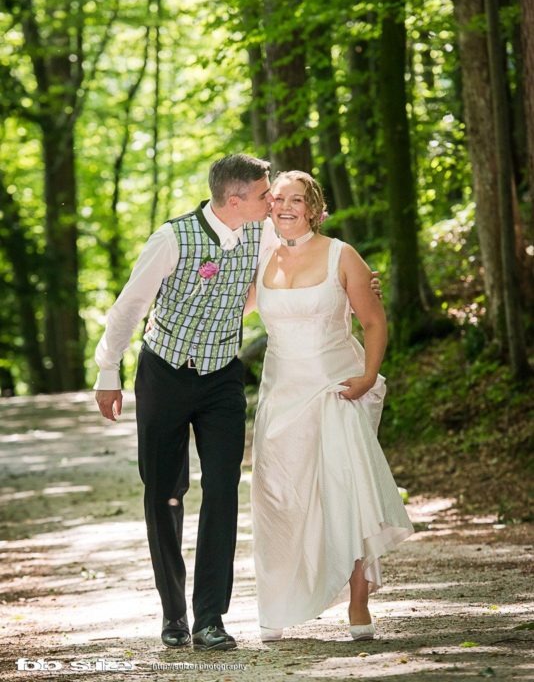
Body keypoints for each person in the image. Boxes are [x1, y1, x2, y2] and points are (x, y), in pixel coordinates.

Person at [95, 153, 275, 651]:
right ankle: (173, 613)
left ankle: (210, 617)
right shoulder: (172, 238)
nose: (272, 201)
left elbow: (287, 277)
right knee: (164, 492)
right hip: (164, 374)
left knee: (222, 488)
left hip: (221, 378)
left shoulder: (264, 234)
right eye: (264, 194)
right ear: (234, 199)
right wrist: (108, 370)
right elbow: (130, 304)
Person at [248, 170, 413, 642]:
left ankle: (358, 604)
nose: (284, 207)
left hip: (337, 389)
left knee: (347, 493)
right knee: (277, 500)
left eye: (295, 200)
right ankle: (278, 602)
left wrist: (366, 377)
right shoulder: (260, 261)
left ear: (315, 208)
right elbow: (231, 309)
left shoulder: (344, 255)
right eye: (276, 199)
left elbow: (374, 323)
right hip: (281, 399)